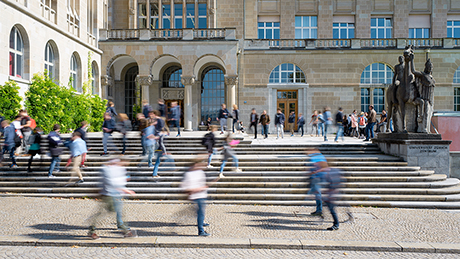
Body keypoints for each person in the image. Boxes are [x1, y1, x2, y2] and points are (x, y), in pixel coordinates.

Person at [88, 158, 136, 240]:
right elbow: (112, 183)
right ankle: (91, 230)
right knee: (102, 213)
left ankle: (125, 230)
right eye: (124, 163)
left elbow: (120, 180)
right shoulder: (107, 169)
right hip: (108, 194)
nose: (124, 165)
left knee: (119, 212)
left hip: (115, 194)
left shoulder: (118, 168)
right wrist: (126, 190)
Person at [180, 159, 211, 236]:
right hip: (196, 196)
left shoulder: (200, 172)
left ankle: (201, 222)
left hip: (202, 195)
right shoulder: (188, 174)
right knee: (201, 212)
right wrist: (198, 189)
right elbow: (185, 188)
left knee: (200, 211)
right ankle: (201, 231)